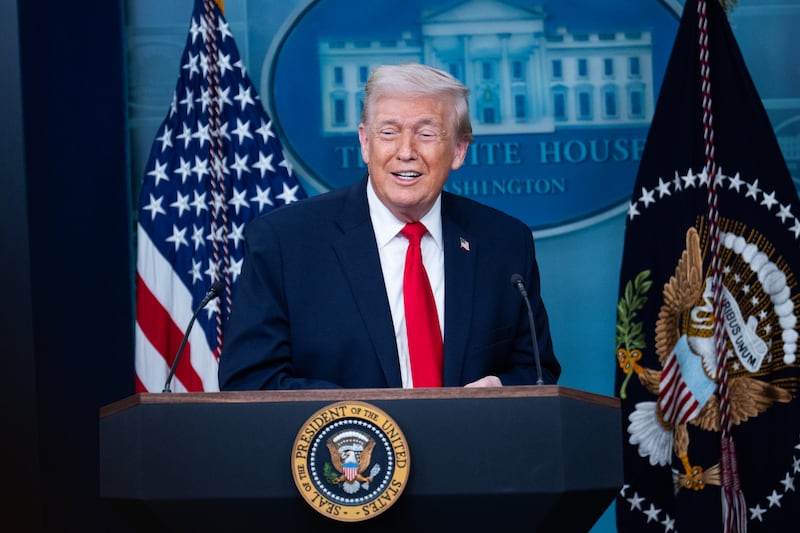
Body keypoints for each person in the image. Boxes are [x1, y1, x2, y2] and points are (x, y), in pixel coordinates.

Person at [218, 63, 560, 390]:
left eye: (426, 133)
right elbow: (250, 379)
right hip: (345, 450)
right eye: (389, 133)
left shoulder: (505, 242)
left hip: (471, 446)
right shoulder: (285, 242)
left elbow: (536, 369)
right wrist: (365, 416)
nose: (406, 151)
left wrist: (501, 389)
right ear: (365, 143)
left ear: (458, 150)